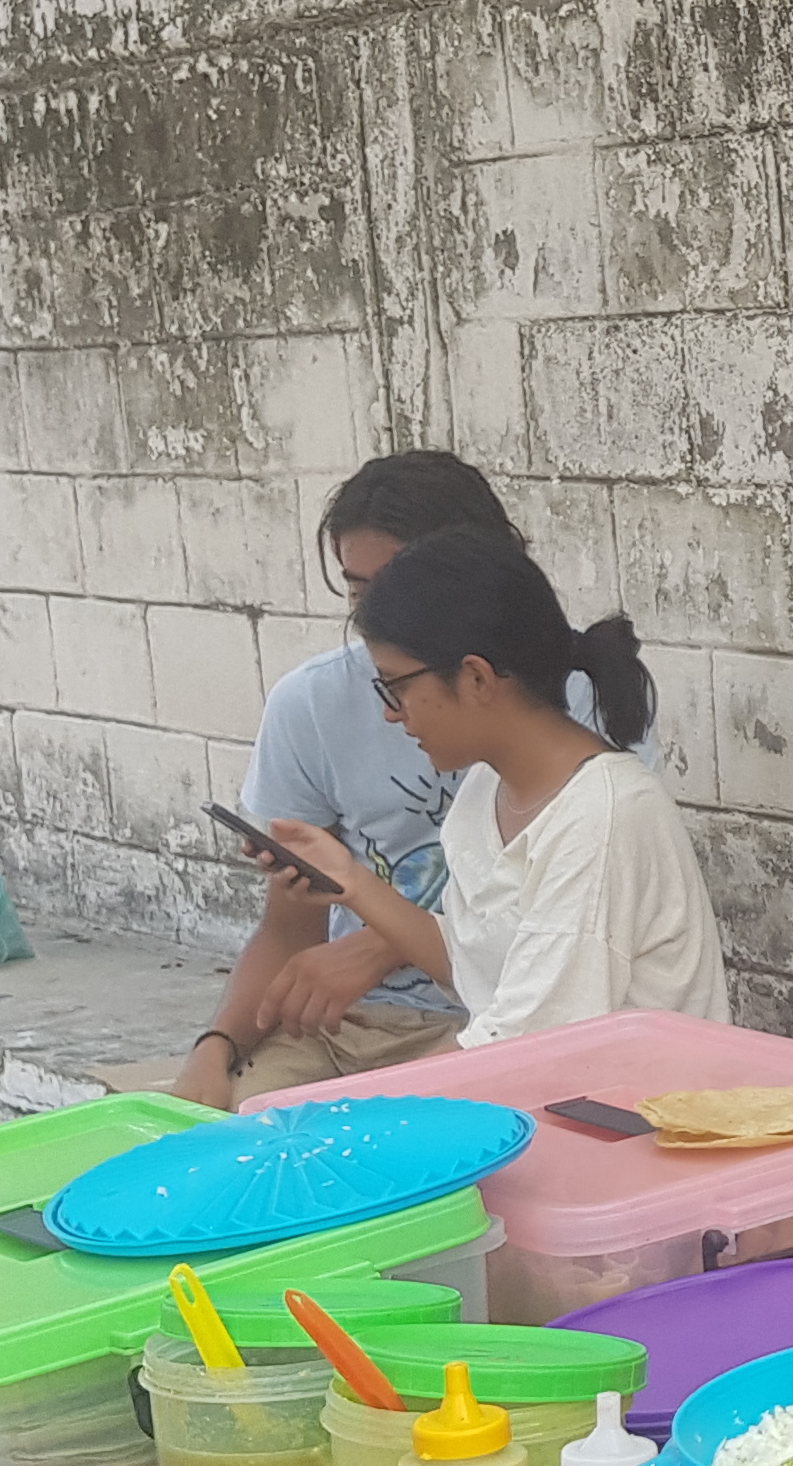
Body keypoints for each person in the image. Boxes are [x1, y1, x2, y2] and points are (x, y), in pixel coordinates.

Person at [166, 454, 589, 1107]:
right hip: (345, 1029)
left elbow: (538, 969)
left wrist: (381, 946)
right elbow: (290, 926)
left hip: (490, 1026)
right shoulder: (314, 705)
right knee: (237, 1148)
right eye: (360, 595)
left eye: (397, 591)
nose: (392, 713)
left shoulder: (573, 739)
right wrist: (215, 1050)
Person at [261, 526, 731, 1047]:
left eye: (396, 688)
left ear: (477, 679)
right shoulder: (488, 787)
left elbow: (533, 1042)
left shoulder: (604, 816)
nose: (390, 714)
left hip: (633, 1112)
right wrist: (348, 877)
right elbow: (472, 963)